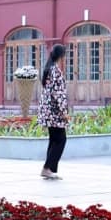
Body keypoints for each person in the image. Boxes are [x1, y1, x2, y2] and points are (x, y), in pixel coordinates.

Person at [37, 44, 71, 181]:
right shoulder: (55, 70)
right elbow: (58, 93)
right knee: (61, 139)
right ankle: (47, 168)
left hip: (48, 109)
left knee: (54, 139)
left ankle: (49, 169)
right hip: (54, 111)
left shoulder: (48, 68)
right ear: (62, 56)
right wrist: (64, 111)